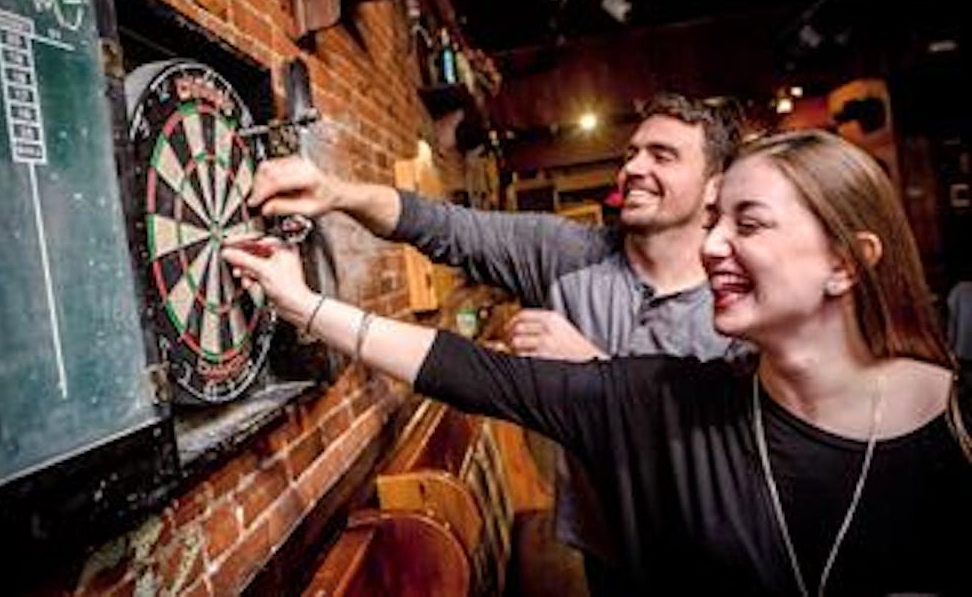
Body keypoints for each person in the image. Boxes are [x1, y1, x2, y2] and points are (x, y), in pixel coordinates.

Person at [224, 129, 972, 595]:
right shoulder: (659, 395)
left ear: (847, 262)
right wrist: (303, 300)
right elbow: (474, 365)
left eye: (747, 223)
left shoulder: (963, 422)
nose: (716, 246)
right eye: (719, 225)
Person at [242, 93, 744, 594]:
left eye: (662, 155)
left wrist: (591, 364)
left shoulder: (740, 304)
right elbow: (443, 226)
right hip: (606, 547)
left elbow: (731, 445)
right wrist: (336, 194)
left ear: (714, 188)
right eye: (632, 152)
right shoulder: (570, 253)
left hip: (711, 558)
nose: (634, 167)